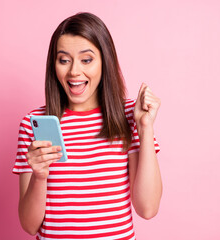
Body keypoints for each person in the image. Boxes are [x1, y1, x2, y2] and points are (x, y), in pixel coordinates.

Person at [12, 12, 162, 240]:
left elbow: (148, 208)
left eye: (86, 59)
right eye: (64, 60)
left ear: (105, 61)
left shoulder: (130, 115)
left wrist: (145, 127)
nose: (74, 71)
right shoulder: (33, 125)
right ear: (54, 65)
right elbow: (30, 225)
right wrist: (40, 175)